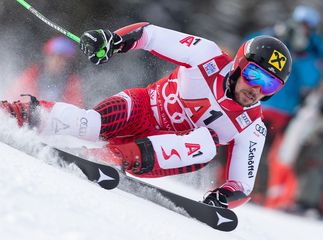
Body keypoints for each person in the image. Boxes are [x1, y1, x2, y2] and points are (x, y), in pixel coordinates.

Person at [0, 22, 292, 209]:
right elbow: (150, 35)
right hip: (141, 109)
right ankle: (15, 113)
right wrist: (114, 41)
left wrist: (223, 198)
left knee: (205, 144)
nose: (257, 90)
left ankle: (110, 158)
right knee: (90, 123)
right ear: (240, 65)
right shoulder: (207, 55)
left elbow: (242, 186)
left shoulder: (252, 126)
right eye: (254, 76)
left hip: (162, 150)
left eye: (270, 85)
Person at [238, 5, 323, 207]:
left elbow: (312, 80)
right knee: (239, 140)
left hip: (283, 110)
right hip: (253, 100)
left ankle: (257, 191)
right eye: (301, 24)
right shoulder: (274, 34)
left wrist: (301, 54)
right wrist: (274, 39)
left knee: (264, 150)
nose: (303, 29)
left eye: (308, 26)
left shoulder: (314, 49)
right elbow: (246, 50)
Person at [6, 36, 85, 106]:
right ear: (47, 56)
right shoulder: (32, 74)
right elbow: (13, 97)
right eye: (53, 56)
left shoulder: (72, 83)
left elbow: (75, 109)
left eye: (62, 58)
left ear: (68, 62)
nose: (57, 61)